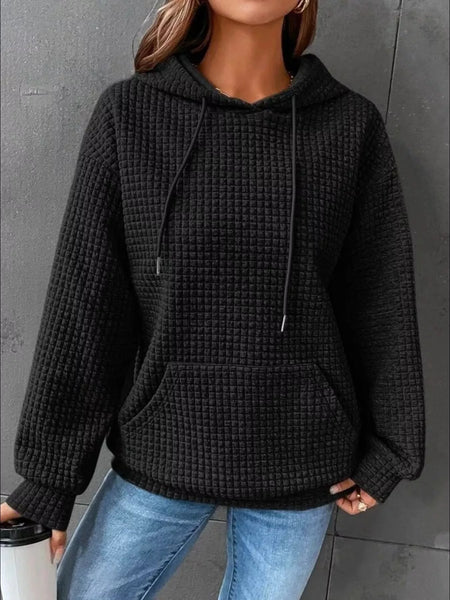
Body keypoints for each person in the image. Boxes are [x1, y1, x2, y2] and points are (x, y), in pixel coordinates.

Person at [0, 1, 426, 598]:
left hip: (301, 457)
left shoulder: (349, 126)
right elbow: (87, 305)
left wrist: (392, 448)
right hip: (164, 447)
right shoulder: (131, 115)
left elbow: (379, 298)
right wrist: (48, 480)